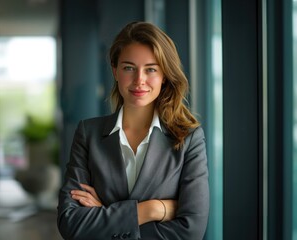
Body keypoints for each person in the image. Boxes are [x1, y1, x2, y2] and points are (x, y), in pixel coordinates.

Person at [57, 21, 209, 240]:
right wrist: (151, 210)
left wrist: (105, 214)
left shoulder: (189, 138)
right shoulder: (88, 133)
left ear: (164, 75)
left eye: (151, 69)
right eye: (129, 67)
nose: (139, 80)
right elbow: (70, 223)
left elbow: (191, 231)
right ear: (115, 71)